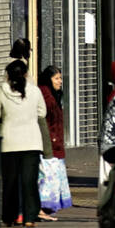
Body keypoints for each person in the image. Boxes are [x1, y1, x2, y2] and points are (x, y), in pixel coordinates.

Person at [0, 60, 46, 228]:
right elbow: (42, 112)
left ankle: (11, 216)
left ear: (8, 74)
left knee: (10, 181)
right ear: (25, 74)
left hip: (9, 141)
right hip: (31, 141)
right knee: (29, 181)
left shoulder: (1, 91)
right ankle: (30, 216)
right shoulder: (35, 91)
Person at [37, 66, 72, 219]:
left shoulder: (53, 95)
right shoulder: (45, 96)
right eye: (56, 78)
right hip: (48, 143)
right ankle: (42, 208)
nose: (59, 82)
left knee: (53, 175)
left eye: (60, 78)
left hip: (55, 142)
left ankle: (47, 208)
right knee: (46, 177)